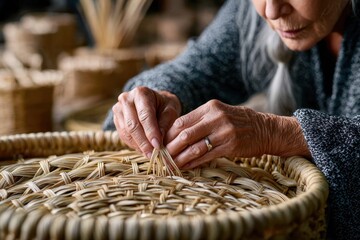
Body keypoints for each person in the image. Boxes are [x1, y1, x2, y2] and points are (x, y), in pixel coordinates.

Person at [103, 0, 360, 239]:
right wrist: (160, 96)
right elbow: (197, 67)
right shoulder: (247, 12)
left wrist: (277, 132)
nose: (271, 12)